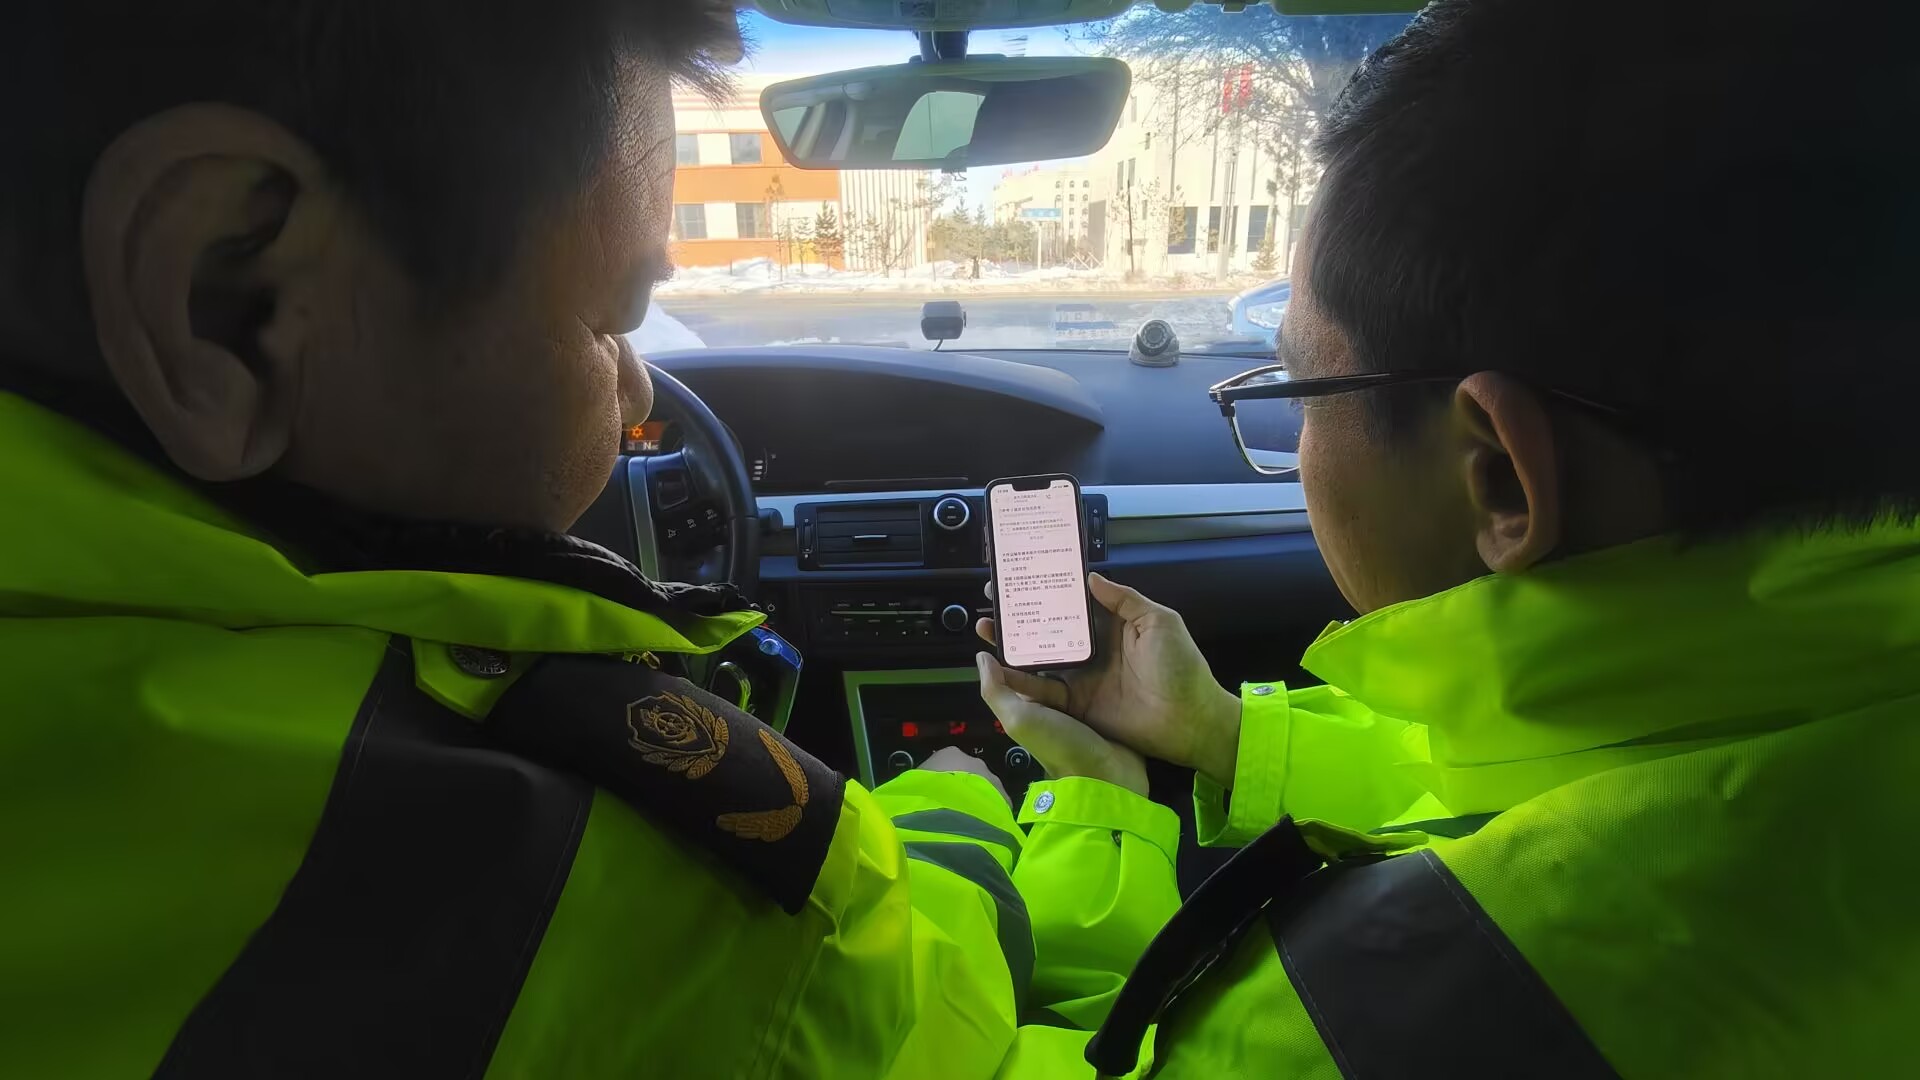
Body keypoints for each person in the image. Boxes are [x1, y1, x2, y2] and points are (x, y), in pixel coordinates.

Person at [0, 2, 1182, 1075]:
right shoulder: (645, 901)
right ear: (228, 302)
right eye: (612, 314)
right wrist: (1006, 807)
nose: (638, 393)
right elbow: (974, 1035)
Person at [976, 0, 1920, 1076]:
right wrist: (1225, 735)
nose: (1297, 438)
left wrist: (1055, 813)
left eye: (1300, 390)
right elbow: (1560, 789)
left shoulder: (1384, 1012)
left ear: (1501, 478)